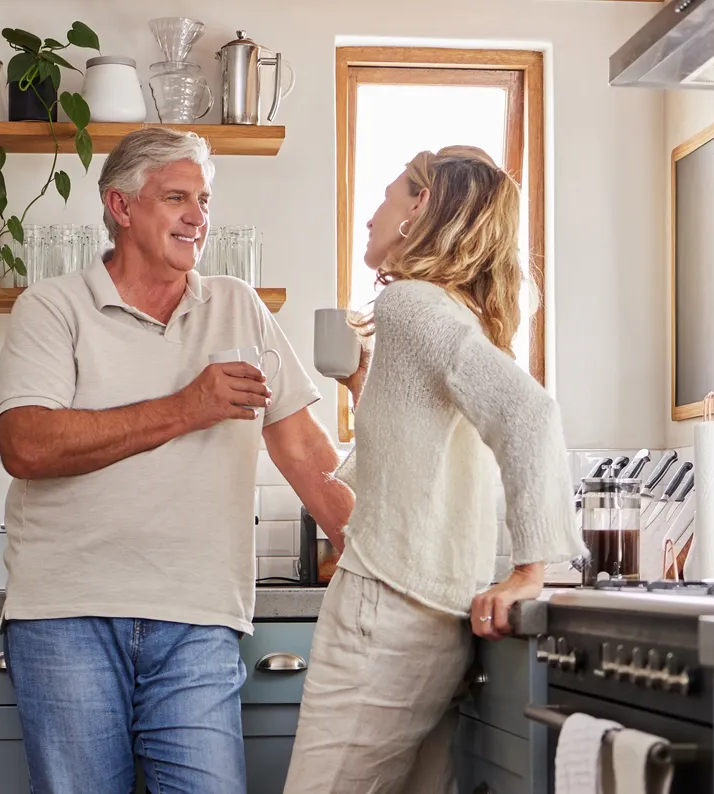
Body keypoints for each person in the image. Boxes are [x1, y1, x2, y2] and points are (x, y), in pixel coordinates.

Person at [0, 127, 355, 794]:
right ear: (121, 207)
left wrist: (377, 557)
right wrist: (188, 407)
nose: (198, 218)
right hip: (67, 613)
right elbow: (27, 444)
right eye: (177, 198)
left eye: (206, 201)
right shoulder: (52, 308)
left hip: (199, 618)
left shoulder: (239, 308)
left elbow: (306, 452)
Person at [283, 146, 583, 793]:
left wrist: (534, 569)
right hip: (429, 616)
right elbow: (423, 459)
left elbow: (528, 413)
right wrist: (365, 380)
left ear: (420, 207)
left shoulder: (411, 304)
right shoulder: (453, 315)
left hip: (386, 608)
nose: (371, 218)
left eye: (387, 196)